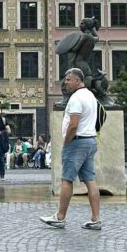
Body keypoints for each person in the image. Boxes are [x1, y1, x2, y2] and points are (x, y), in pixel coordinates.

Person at [40, 68, 101, 230]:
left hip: (77, 142)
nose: (65, 82)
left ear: (77, 80)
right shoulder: (90, 96)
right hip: (90, 140)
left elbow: (73, 124)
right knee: (90, 180)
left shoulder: (76, 98)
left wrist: (67, 141)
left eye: (68, 79)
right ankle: (95, 219)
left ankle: (60, 217)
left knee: (67, 179)